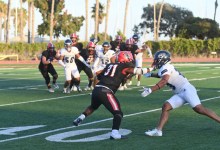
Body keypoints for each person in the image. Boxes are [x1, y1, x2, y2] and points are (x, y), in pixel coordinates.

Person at [73, 51, 153, 139]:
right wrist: (152, 68)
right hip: (106, 91)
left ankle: (80, 118)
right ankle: (115, 133)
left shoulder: (109, 65)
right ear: (125, 58)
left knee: (93, 107)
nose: (130, 61)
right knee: (118, 113)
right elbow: (139, 71)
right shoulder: (124, 66)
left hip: (97, 89)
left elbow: (98, 75)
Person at [142, 50, 220, 136]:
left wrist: (150, 90)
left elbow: (164, 80)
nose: (155, 61)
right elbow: (162, 75)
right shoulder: (165, 67)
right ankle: (158, 130)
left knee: (199, 109)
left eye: (157, 59)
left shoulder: (166, 67)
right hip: (180, 93)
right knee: (166, 106)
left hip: (186, 90)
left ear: (162, 60)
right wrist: (150, 75)